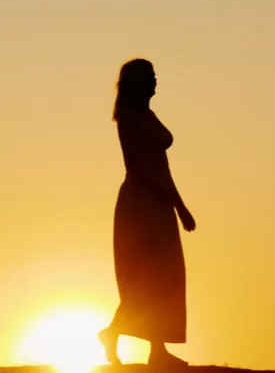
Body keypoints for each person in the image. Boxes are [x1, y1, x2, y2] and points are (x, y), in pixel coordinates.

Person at [98, 59, 196, 368]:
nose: (156, 81)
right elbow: (139, 167)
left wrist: (178, 205)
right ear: (137, 82)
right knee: (142, 278)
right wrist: (175, 204)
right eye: (150, 77)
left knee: (166, 277)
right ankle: (113, 333)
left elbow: (163, 167)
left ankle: (158, 348)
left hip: (160, 203)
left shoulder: (148, 115)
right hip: (140, 204)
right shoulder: (128, 117)